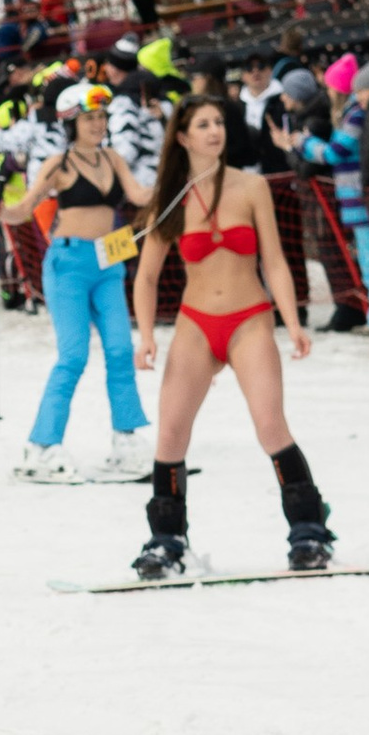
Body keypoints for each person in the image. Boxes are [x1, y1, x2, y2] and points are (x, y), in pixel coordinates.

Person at [128, 93, 332, 580]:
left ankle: (308, 530)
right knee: (172, 432)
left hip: (249, 318)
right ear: (182, 136)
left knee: (270, 425)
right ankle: (167, 539)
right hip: (196, 323)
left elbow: (276, 260)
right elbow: (146, 275)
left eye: (219, 122)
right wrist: (145, 335)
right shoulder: (168, 197)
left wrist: (293, 321)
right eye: (202, 124)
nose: (214, 131)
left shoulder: (251, 186)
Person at [8, 86, 149, 478]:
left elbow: (138, 194)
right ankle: (42, 445)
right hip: (68, 263)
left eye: (102, 117)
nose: (98, 125)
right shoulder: (59, 163)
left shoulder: (114, 158)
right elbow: (26, 206)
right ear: (71, 122)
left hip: (110, 261)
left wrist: (173, 183)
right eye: (89, 119)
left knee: (121, 350)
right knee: (74, 356)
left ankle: (126, 438)